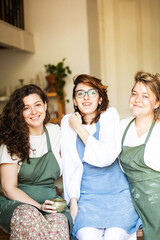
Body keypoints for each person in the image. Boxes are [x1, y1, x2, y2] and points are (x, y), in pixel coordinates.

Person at [61, 74, 142, 240]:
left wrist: (79, 128)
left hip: (117, 195)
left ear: (100, 99)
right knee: (86, 236)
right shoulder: (66, 122)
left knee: (115, 236)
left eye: (92, 92)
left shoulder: (109, 116)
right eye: (80, 93)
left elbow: (106, 157)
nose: (86, 97)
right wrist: (73, 200)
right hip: (87, 198)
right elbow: (70, 166)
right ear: (74, 101)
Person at [0, 84, 72, 239]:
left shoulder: (56, 132)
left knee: (59, 222)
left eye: (37, 105)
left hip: (51, 202)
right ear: (19, 112)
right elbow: (8, 189)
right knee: (29, 216)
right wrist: (38, 206)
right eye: (26, 108)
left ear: (45, 105)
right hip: (17, 205)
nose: (34, 112)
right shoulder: (11, 142)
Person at [119, 71, 160, 240]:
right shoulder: (121, 127)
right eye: (134, 94)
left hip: (156, 205)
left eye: (145, 96)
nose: (137, 99)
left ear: (157, 103)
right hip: (130, 204)